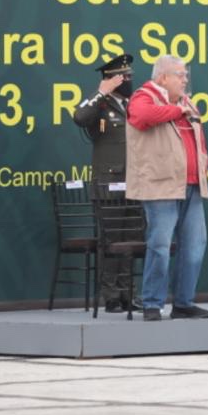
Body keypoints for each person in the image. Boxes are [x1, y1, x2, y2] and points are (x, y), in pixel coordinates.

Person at [126, 55, 208, 321]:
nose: (185, 79)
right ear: (163, 77)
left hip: (192, 184)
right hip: (161, 185)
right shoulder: (143, 96)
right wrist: (178, 111)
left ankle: (184, 303)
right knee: (160, 245)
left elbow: (198, 136)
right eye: (180, 74)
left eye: (186, 74)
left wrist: (203, 158)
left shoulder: (186, 103)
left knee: (195, 246)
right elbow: (141, 117)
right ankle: (153, 303)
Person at [72, 53, 139, 313]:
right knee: (111, 242)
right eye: (124, 77)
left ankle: (128, 293)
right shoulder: (100, 105)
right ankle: (110, 295)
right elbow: (80, 117)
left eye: (130, 76)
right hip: (109, 184)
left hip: (135, 182)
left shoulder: (133, 104)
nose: (129, 81)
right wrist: (101, 92)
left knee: (132, 240)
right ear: (111, 80)